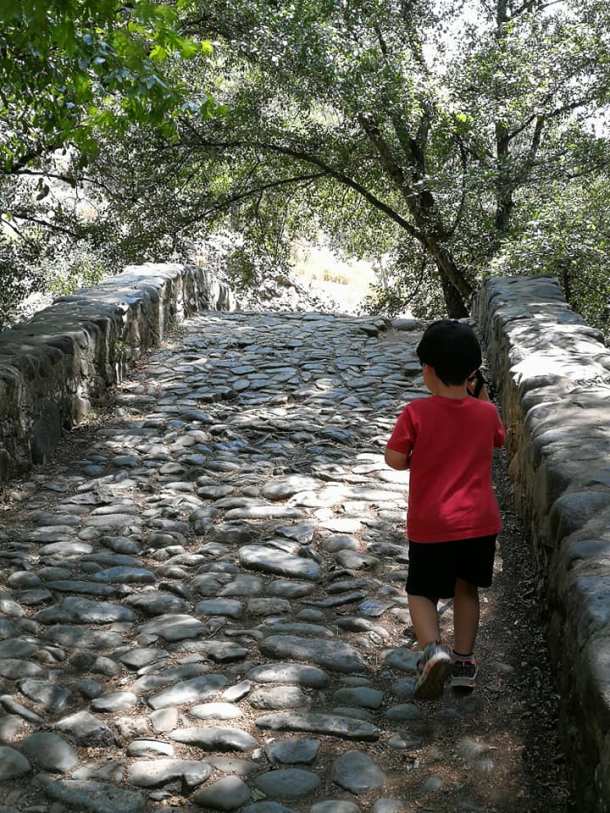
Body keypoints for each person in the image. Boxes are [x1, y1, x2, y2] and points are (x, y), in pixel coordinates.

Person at [385, 319, 505, 700]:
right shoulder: (486, 414)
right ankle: (465, 663)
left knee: (421, 590)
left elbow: (394, 459)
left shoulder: (416, 413)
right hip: (480, 523)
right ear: (472, 373)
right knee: (466, 589)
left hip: (432, 524)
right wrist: (480, 396)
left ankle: (433, 651)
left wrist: (414, 461)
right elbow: (499, 439)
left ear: (428, 370)